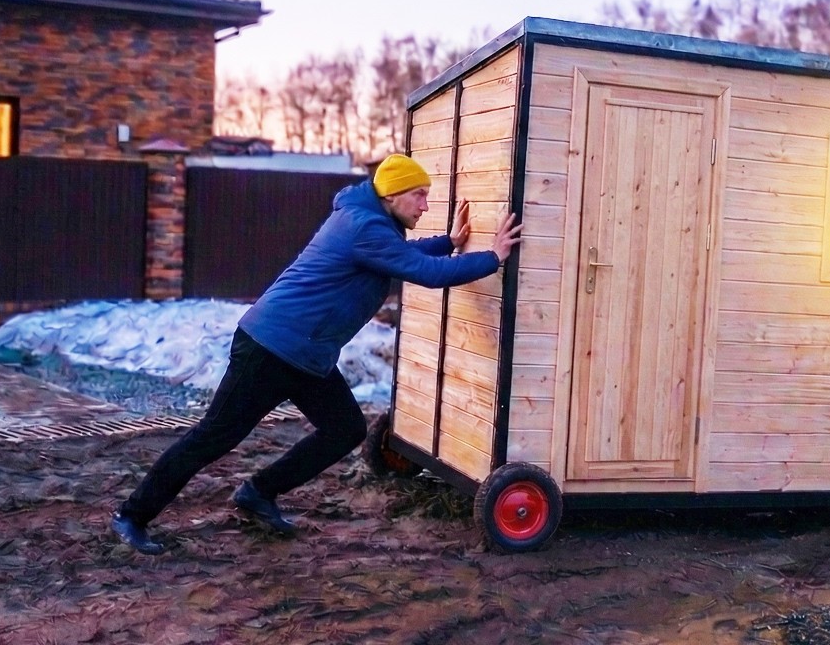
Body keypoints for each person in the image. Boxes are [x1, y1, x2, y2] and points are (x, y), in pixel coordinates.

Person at [111, 153, 522, 555]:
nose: (425, 204)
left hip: (307, 355)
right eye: (419, 194)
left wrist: (448, 242)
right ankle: (132, 515)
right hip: (271, 349)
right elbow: (426, 274)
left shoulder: (372, 222)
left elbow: (404, 257)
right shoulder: (365, 227)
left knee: (345, 429)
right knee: (213, 438)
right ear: (393, 195)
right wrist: (493, 257)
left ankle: (259, 491)